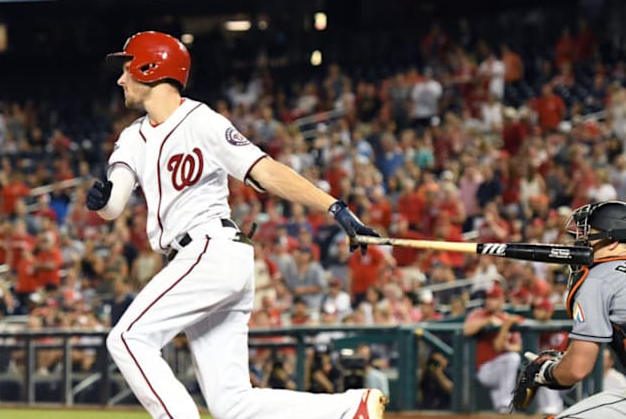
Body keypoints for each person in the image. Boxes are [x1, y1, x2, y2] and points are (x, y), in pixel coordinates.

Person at [85, 31, 387, 419]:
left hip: (210, 251)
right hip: (203, 261)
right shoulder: (132, 137)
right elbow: (114, 204)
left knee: (127, 339)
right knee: (231, 404)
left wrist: (335, 208)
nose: (120, 78)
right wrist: (104, 201)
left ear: (150, 68)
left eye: (127, 68)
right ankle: (350, 409)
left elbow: (265, 172)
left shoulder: (202, 121)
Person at [514, 201, 626, 418]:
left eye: (588, 234)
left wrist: (546, 371)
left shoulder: (599, 279)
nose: (580, 242)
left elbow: (576, 369)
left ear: (612, 241)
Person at [462, 284, 523, 413]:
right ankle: (506, 404)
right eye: (488, 298)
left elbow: (518, 346)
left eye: (494, 298)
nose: (489, 301)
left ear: (502, 300)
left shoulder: (507, 317)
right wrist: (488, 321)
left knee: (511, 359)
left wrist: (508, 345)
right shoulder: (479, 314)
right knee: (511, 359)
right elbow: (467, 330)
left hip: (502, 369)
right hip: (485, 370)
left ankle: (502, 407)